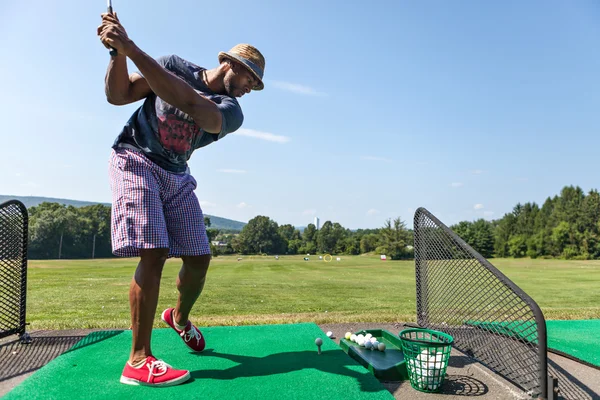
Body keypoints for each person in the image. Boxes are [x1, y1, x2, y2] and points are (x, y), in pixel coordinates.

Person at [97, 12, 265, 387]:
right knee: (154, 251)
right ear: (230, 64)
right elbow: (118, 95)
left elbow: (191, 105)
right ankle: (138, 360)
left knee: (199, 258)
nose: (249, 88)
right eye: (249, 78)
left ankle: (180, 318)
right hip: (135, 157)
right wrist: (116, 54)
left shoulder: (232, 111)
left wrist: (132, 48)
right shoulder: (172, 65)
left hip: (175, 173)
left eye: (255, 84)